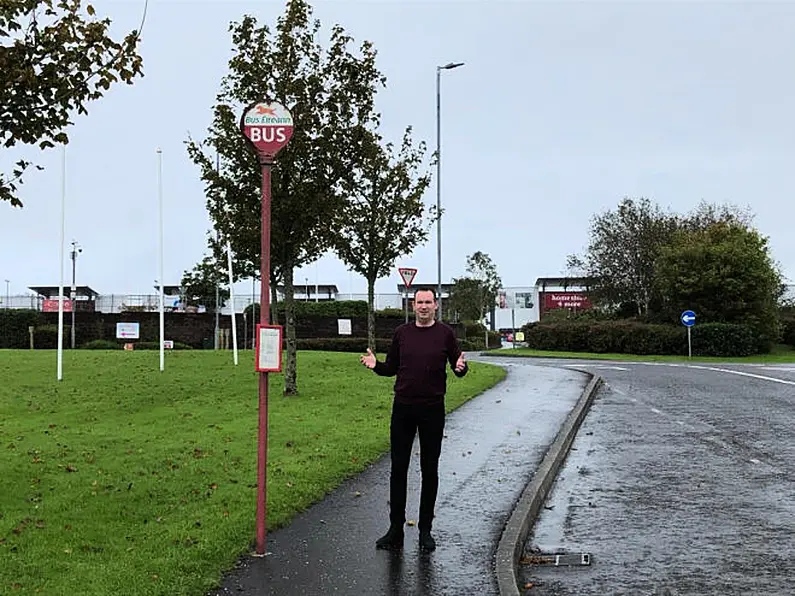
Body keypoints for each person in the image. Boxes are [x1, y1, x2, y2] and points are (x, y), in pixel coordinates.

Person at [360, 287, 467, 552]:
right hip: (403, 409)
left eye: (428, 302)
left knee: (429, 470)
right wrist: (376, 366)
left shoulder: (445, 334)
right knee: (398, 469)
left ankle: (425, 530)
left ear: (436, 306)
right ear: (413, 305)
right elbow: (391, 368)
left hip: (432, 409)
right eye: (419, 302)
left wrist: (461, 368)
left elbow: (458, 366)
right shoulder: (402, 334)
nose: (423, 306)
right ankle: (395, 529)